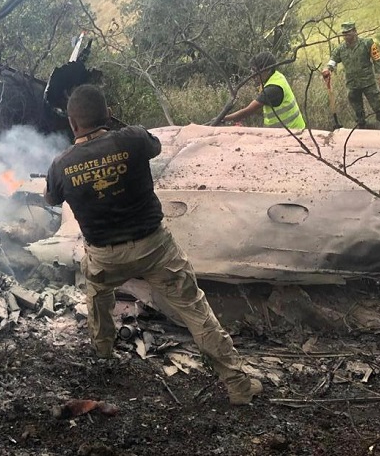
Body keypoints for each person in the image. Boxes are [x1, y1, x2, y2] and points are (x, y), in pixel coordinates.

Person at [44, 84, 262, 405]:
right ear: (108, 113)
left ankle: (103, 353)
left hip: (105, 255)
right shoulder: (132, 138)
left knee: (98, 298)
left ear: (73, 123)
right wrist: (113, 128)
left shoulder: (61, 164)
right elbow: (155, 146)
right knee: (195, 309)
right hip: (154, 248)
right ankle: (238, 385)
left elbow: (51, 197)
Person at [321, 21, 380, 129]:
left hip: (368, 82)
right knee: (358, 111)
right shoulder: (341, 49)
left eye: (348, 32)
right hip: (352, 85)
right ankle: (362, 128)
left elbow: (377, 59)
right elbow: (333, 60)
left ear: (355, 32)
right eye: (344, 33)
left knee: (377, 106)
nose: (346, 35)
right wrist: (327, 69)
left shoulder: (367, 43)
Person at [223, 52, 306, 129]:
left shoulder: (273, 89)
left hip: (292, 132)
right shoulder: (275, 77)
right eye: (252, 71)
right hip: (285, 131)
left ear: (268, 70)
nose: (253, 75)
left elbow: (248, 111)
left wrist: (223, 119)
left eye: (256, 71)